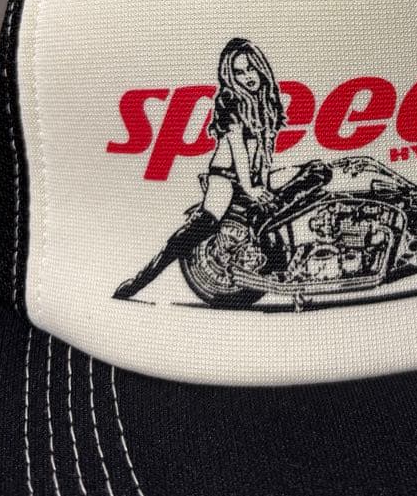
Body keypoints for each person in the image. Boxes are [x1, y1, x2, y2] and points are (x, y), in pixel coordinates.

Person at [113, 38, 330, 300]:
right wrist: (250, 189)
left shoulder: (267, 100)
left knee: (317, 173)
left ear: (260, 67)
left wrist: (262, 185)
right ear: (230, 76)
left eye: (251, 68)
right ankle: (138, 282)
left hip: (251, 174)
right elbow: (238, 149)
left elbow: (265, 149)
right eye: (239, 72)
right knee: (197, 230)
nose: (247, 76)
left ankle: (279, 260)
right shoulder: (230, 100)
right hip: (226, 177)